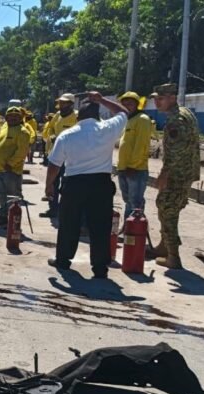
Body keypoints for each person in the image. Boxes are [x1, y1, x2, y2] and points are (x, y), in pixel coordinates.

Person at [45, 93, 129, 279]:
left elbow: (54, 165)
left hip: (74, 184)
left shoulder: (67, 135)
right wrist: (102, 99)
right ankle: (100, 268)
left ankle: (63, 260)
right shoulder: (108, 128)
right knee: (100, 226)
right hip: (100, 184)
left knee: (69, 223)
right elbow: (124, 112)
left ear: (78, 116)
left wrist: (49, 185)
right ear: (98, 115)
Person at [149, 83, 201, 269]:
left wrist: (164, 173)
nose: (157, 102)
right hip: (185, 172)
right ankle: (163, 247)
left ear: (172, 98)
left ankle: (173, 257)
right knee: (167, 207)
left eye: (161, 99)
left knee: (167, 210)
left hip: (177, 174)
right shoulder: (185, 113)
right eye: (155, 99)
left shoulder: (176, 120)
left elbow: (176, 151)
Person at [0, 107, 31, 226]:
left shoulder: (23, 132)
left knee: (12, 196)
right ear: (6, 117)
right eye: (10, 116)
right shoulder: (3, 128)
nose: (13, 118)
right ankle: (3, 217)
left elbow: (22, 152)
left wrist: (10, 164)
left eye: (16, 116)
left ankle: (13, 221)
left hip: (11, 170)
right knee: (1, 194)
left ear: (20, 118)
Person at [39, 94, 79, 218]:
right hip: (55, 154)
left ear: (71, 104)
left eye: (64, 103)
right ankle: (53, 209)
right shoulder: (57, 115)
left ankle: (65, 210)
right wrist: (51, 135)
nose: (61, 105)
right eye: (60, 102)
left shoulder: (77, 116)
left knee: (67, 184)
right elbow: (50, 128)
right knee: (53, 183)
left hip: (70, 157)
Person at [116, 91, 154, 219]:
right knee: (128, 200)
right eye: (124, 103)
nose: (126, 106)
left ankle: (134, 228)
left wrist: (133, 166)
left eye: (130, 103)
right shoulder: (127, 120)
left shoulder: (142, 119)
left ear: (137, 104)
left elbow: (142, 145)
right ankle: (129, 227)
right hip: (123, 168)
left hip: (135, 169)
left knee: (135, 202)